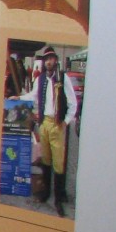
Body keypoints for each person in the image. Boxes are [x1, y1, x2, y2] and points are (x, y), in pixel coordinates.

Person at [26, 46, 76, 215]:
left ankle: (59, 198)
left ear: (55, 60)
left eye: (51, 59)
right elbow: (33, 95)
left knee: (59, 162)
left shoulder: (63, 78)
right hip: (44, 123)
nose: (48, 62)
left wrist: (66, 121)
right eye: (46, 59)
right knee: (46, 159)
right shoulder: (40, 79)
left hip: (57, 124)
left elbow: (73, 103)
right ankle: (46, 193)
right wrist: (19, 98)